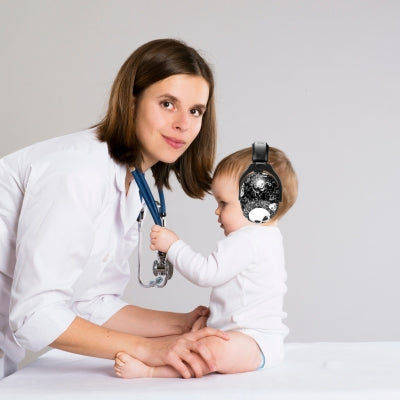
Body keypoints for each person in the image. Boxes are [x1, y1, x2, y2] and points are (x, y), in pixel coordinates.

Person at [0, 38, 230, 380]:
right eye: (168, 103)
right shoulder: (78, 170)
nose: (184, 123)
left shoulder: (132, 182)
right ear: (131, 100)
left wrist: (183, 324)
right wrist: (148, 348)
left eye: (196, 110)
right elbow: (34, 316)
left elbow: (90, 303)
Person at [114, 145, 298, 378]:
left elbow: (206, 273)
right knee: (195, 338)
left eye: (224, 203)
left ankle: (151, 371)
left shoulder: (248, 239)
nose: (217, 211)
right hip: (244, 338)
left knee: (210, 351)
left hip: (255, 342)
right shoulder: (265, 235)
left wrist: (173, 246)